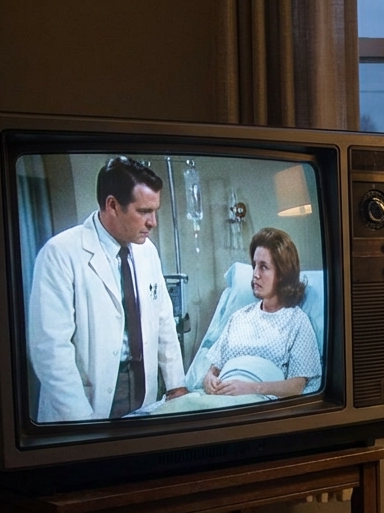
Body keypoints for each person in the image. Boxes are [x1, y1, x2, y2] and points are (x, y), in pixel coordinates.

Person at [28, 156, 188, 422]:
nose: (153, 222)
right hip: (84, 401)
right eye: (143, 211)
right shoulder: (61, 253)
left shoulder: (147, 252)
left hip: (141, 391)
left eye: (155, 211)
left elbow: (163, 321)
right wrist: (81, 423)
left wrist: (176, 385)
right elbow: (51, 349)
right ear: (112, 205)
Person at [202, 227, 321, 398]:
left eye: (263, 267)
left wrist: (251, 389)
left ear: (282, 274)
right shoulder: (239, 317)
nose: (255, 274)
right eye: (254, 266)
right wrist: (209, 379)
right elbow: (214, 368)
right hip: (220, 398)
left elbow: (296, 387)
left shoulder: (297, 322)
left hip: (259, 404)